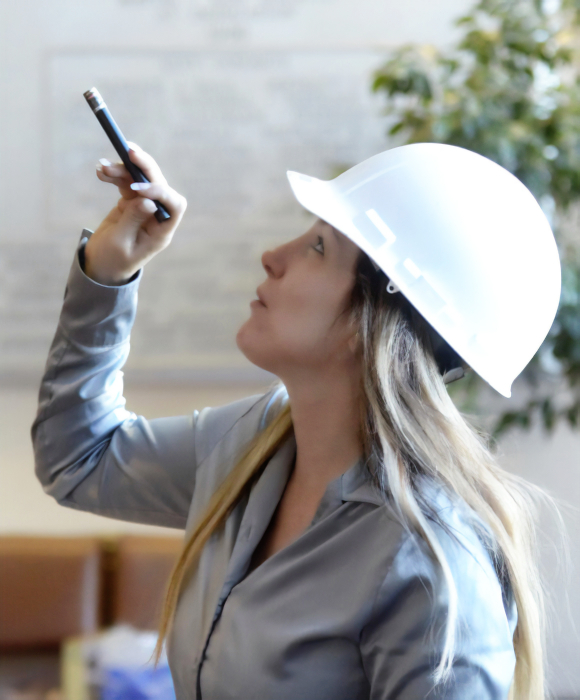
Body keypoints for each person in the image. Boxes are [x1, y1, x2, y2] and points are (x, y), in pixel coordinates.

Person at [32, 142, 562, 700]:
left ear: (376, 319)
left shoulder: (431, 567)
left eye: (317, 246)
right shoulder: (253, 443)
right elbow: (79, 460)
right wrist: (109, 274)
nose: (273, 255)